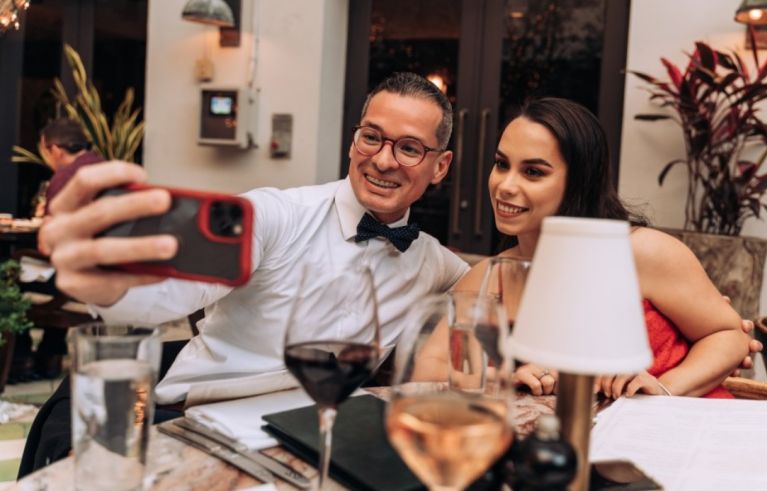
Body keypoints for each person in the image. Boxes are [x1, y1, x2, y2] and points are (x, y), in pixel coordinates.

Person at [20, 72, 469, 476]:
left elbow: (495, 292)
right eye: (371, 137)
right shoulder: (273, 215)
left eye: (409, 148)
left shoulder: (434, 263)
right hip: (195, 423)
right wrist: (109, 284)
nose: (384, 160)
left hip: (314, 442)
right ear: (354, 142)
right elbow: (171, 290)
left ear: (440, 166)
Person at [419, 97, 752, 399]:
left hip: (672, 433)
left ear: (578, 182)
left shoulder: (641, 252)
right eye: (502, 164)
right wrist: (504, 376)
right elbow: (428, 369)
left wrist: (664, 388)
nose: (505, 185)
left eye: (533, 172)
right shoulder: (489, 277)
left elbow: (729, 334)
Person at [10, 118, 103, 383]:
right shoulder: (104, 167)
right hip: (100, 273)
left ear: (55, 150)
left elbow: (48, 244)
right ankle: (50, 355)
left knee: (9, 276)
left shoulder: (65, 178)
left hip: (72, 282)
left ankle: (19, 359)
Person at [39, 117, 103, 213]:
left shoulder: (63, 179)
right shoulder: (104, 165)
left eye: (45, 152)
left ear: (55, 151)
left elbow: (55, 221)